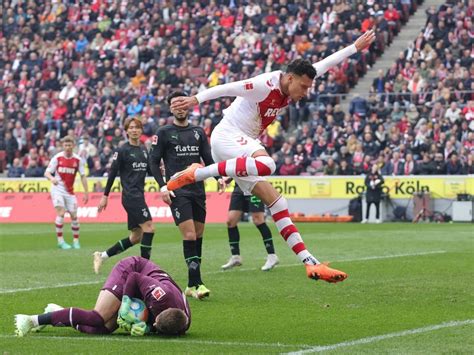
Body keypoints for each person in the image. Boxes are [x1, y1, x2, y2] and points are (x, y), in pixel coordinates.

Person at [166, 30, 376, 283]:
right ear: (290, 78)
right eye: (303, 86)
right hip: (228, 135)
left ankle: (309, 262)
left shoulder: (299, 77)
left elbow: (327, 62)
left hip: (244, 143)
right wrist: (195, 100)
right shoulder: (263, 84)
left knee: (277, 203)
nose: (306, 92)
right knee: (268, 163)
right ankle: (197, 173)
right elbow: (227, 88)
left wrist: (355, 46)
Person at [150, 91, 226, 299]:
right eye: (175, 104)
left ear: (188, 106)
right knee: (190, 235)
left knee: (199, 235)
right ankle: (196, 283)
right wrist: (163, 186)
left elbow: (208, 159)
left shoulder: (198, 132)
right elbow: (153, 161)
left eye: (183, 103)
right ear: (170, 108)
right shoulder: (164, 132)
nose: (180, 107)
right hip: (177, 192)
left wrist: (218, 177)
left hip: (197, 190)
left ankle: (192, 285)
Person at [14, 256, 190, 337]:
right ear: (159, 313)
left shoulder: (182, 325)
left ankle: (56, 311)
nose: (154, 323)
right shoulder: (161, 296)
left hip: (144, 291)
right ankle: (31, 320)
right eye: (155, 321)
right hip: (132, 271)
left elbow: (161, 324)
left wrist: (147, 328)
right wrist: (125, 304)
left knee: (100, 330)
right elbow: (134, 278)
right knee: (98, 317)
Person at [93, 118, 155, 274]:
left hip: (139, 195)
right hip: (130, 196)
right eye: (131, 127)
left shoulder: (143, 150)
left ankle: (102, 255)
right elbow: (113, 173)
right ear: (126, 131)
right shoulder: (122, 150)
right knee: (150, 228)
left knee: (136, 237)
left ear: (141, 130)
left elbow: (150, 171)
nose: (134, 130)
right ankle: (145, 270)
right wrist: (105, 195)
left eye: (137, 127)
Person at [44, 136, 89, 249]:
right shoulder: (57, 158)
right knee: (61, 213)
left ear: (73, 146)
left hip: (70, 192)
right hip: (57, 189)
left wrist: (86, 192)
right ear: (63, 146)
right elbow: (47, 173)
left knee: (74, 216)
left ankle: (76, 241)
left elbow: (83, 176)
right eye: (66, 145)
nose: (68, 147)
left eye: (70, 145)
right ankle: (60, 241)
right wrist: (52, 179)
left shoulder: (78, 160)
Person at [222, 184, 279, 271]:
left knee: (258, 220)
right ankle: (235, 257)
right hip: (239, 187)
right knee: (231, 221)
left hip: (253, 185)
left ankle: (272, 256)